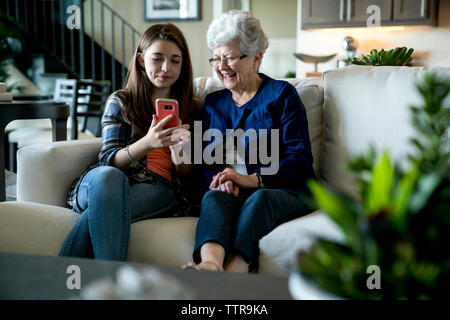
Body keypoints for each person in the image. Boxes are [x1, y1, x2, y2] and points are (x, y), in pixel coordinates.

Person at [182, 10, 315, 273]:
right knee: (213, 197)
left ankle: (236, 272)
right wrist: (222, 180)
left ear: (257, 57)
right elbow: (208, 163)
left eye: (230, 58)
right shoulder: (214, 104)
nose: (221, 66)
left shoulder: (281, 96)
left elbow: (299, 160)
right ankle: (209, 265)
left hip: (283, 191)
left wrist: (252, 180)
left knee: (260, 199)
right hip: (234, 192)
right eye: (216, 58)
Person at [59, 23, 198, 261]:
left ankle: (60, 282)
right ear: (142, 60)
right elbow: (108, 160)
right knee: (109, 177)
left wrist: (181, 152)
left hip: (157, 187)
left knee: (99, 213)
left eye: (175, 60)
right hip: (104, 183)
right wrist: (147, 143)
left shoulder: (192, 108)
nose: (166, 67)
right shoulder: (121, 101)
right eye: (157, 58)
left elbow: (187, 175)